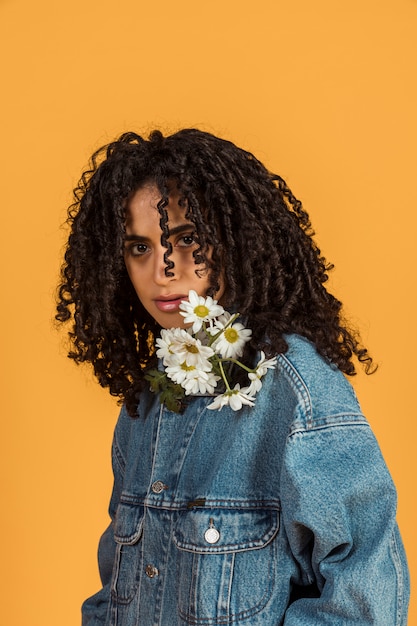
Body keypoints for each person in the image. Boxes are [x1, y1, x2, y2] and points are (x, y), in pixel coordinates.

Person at [56, 128, 409, 625]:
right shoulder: (147, 402)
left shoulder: (297, 390)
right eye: (140, 247)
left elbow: (365, 600)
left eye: (186, 240)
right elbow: (117, 591)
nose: (163, 269)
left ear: (236, 240)